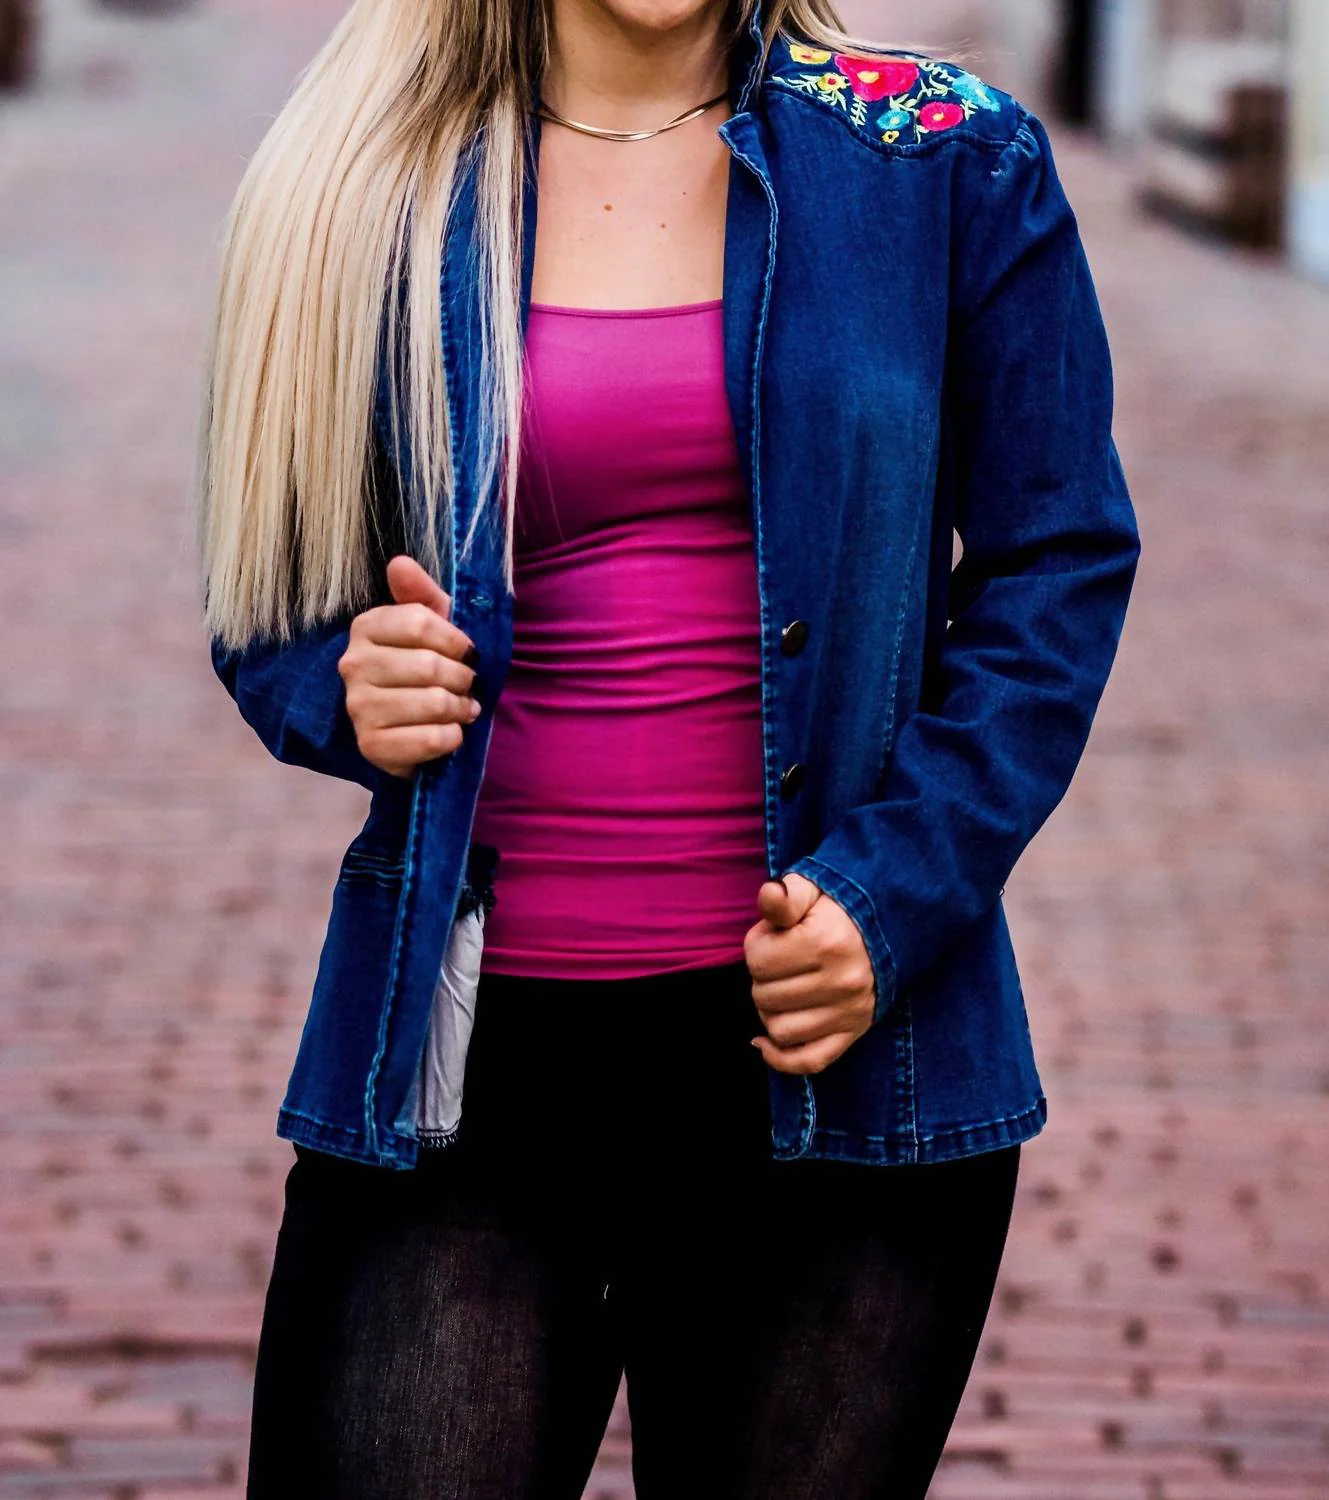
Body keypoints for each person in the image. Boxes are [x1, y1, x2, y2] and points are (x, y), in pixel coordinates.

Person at [198, 0, 1141, 1491]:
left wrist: (891, 900)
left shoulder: (946, 156)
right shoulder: (366, 185)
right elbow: (271, 600)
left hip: (836, 1063)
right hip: (470, 1073)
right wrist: (343, 687)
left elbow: (1059, 559)